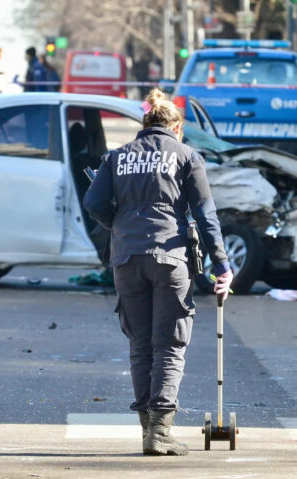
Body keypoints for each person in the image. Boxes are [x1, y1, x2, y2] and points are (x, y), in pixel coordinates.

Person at [83, 88, 233, 456]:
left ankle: (148, 429)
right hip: (170, 257)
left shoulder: (117, 157)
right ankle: (160, 431)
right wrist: (221, 265)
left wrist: (118, 224)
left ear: (145, 124)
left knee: (140, 344)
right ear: (176, 127)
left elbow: (93, 203)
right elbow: (205, 214)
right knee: (169, 344)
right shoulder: (186, 157)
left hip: (126, 258)